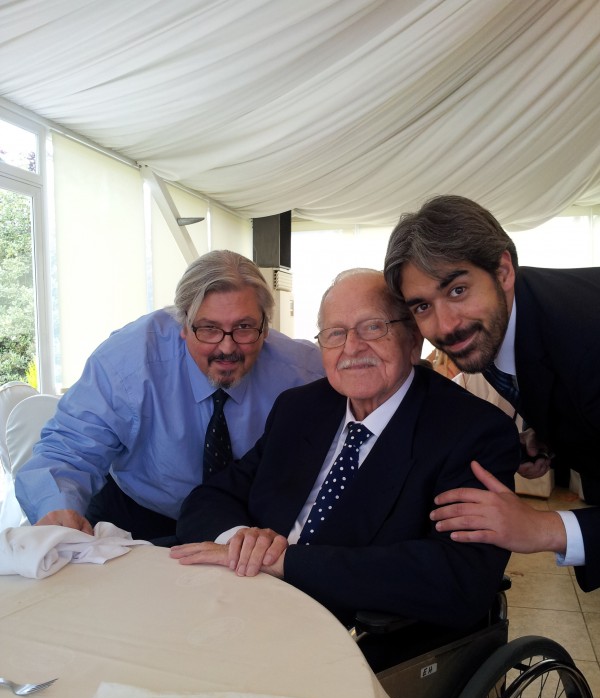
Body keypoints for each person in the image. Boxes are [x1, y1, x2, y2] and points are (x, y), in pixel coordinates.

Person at [171, 269, 520, 630]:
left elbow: (457, 576)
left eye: (373, 327)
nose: (352, 348)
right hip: (243, 604)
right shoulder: (300, 408)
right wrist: (241, 541)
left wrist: (284, 561)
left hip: (351, 636)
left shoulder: (472, 432)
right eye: (335, 334)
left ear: (414, 339)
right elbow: (209, 498)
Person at [15, 251, 324, 543]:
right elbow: (70, 449)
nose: (227, 348)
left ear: (266, 328)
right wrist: (57, 507)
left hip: (241, 524)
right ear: (184, 325)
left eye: (244, 327)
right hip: (138, 514)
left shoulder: (304, 372)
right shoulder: (128, 362)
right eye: (209, 328)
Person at [383, 194, 600, 591]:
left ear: (503, 271)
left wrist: (543, 527)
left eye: (458, 290)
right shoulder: (511, 318)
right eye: (422, 307)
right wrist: (555, 436)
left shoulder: (589, 341)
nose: (445, 326)